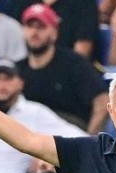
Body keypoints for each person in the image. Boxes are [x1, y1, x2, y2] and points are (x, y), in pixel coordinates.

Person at [16, 4, 109, 134]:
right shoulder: (17, 70)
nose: (34, 33)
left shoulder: (74, 64)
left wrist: (89, 141)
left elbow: (103, 100)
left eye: (41, 27)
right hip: (27, 137)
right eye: (30, 26)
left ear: (55, 33)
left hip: (68, 133)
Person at [10, 0, 100, 59]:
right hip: (26, 71)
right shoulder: (21, 3)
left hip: (67, 74)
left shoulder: (84, 4)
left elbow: (80, 56)